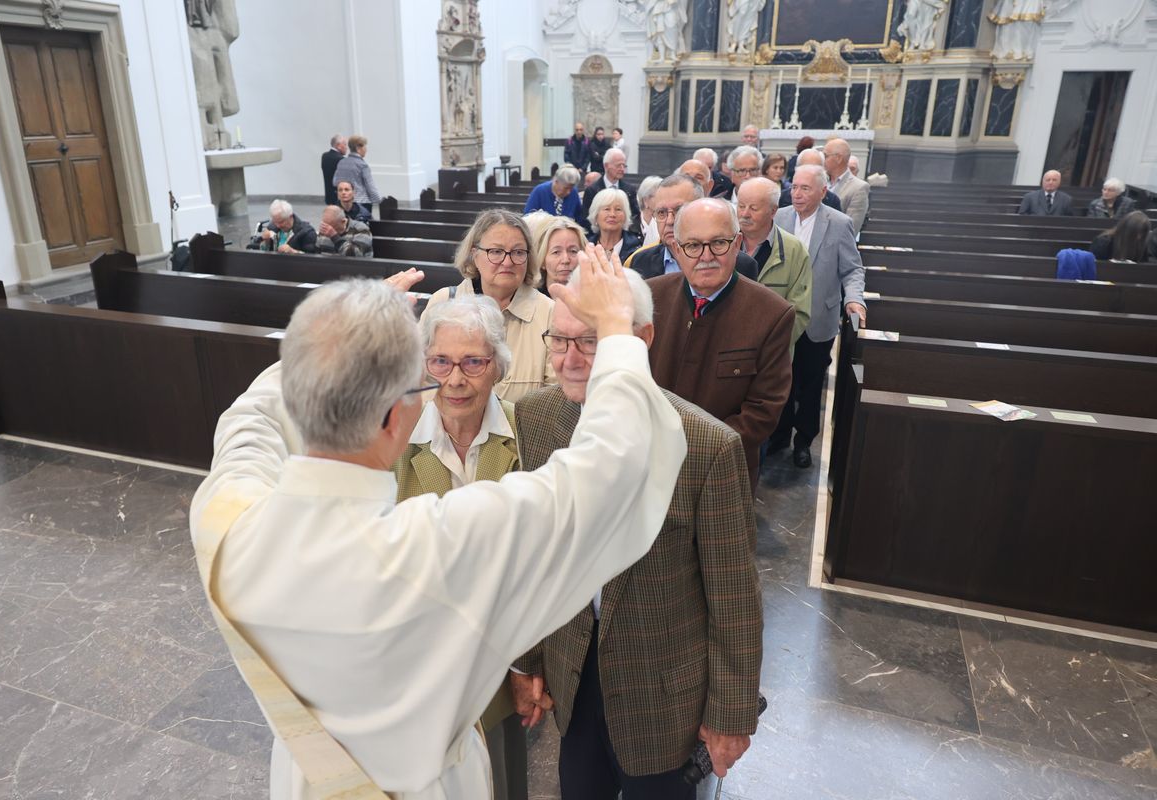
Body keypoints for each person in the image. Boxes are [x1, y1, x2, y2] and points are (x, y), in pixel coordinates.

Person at [189, 249, 688, 800]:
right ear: (395, 415)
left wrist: (350, 333)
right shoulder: (438, 548)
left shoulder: (224, 515)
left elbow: (248, 419)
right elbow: (609, 471)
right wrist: (616, 328)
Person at [511, 267, 763, 798]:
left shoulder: (706, 446)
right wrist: (528, 661)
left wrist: (731, 715)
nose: (571, 359)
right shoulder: (535, 417)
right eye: (559, 340)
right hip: (572, 675)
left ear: (639, 339)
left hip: (662, 692)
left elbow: (734, 597)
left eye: (591, 341)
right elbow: (534, 557)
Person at [398, 297, 525, 800]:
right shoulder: (396, 439)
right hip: (420, 666)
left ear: (497, 365)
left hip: (501, 666)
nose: (455, 380)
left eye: (473, 362)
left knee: (501, 779)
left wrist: (528, 667)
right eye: (441, 362)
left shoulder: (527, 431)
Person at [647, 197, 794, 489]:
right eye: (692, 245)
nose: (706, 256)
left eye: (718, 243)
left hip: (723, 477)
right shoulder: (647, 299)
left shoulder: (772, 314)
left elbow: (763, 411)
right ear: (676, 250)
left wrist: (696, 453)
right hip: (649, 469)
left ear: (737, 243)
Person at [773, 165, 865, 468]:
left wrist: (854, 299)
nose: (797, 194)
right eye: (794, 187)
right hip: (783, 316)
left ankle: (803, 441)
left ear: (823, 192)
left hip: (818, 320)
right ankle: (780, 434)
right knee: (780, 380)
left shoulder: (838, 223)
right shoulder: (780, 217)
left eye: (805, 189)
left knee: (810, 385)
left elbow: (852, 269)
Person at [426, 209, 556, 402]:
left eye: (518, 252)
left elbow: (555, 398)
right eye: (496, 251)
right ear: (474, 255)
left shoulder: (548, 312)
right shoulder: (443, 302)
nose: (507, 261)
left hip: (520, 431)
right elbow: (421, 382)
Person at [737, 177, 812, 347]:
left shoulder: (795, 250)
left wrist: (768, 349)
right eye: (741, 206)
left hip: (772, 357)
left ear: (773, 211)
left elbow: (799, 313)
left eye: (753, 208)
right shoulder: (722, 243)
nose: (745, 214)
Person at [581, 148, 641, 232]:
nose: (622, 169)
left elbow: (635, 216)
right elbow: (585, 218)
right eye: (618, 165)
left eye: (624, 165)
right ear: (606, 166)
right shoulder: (592, 191)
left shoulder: (629, 190)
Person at [823, 138, 870, 232]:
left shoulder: (858, 187)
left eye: (825, 156)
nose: (822, 160)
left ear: (838, 158)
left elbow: (850, 229)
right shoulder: (820, 180)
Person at [587, 188, 643, 264]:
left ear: (625, 215)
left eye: (618, 209)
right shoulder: (585, 246)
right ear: (596, 215)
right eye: (607, 209)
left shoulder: (637, 250)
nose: (612, 214)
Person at [536, 215, 588, 294]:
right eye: (556, 252)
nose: (566, 260)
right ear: (542, 260)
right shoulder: (530, 302)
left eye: (573, 251)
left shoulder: (595, 300)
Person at [333, 135, 382, 216]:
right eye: (365, 147)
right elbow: (370, 186)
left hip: (344, 202)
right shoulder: (362, 165)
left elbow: (335, 182)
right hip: (361, 203)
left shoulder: (341, 162)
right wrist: (379, 200)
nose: (366, 149)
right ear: (358, 148)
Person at [246, 199, 318, 253]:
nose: (278, 225)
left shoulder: (307, 232)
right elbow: (263, 251)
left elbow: (312, 258)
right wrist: (266, 241)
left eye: (281, 222)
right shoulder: (272, 226)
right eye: (275, 222)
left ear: (290, 217)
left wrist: (292, 251)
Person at [1089, 210, 1157, 262]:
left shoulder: (1141, 243)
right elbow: (1095, 264)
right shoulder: (1103, 241)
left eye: (1142, 233)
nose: (1139, 236)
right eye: (1136, 232)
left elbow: (1143, 265)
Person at [636, 175, 663, 247]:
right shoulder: (630, 225)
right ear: (645, 200)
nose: (663, 199)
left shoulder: (666, 223)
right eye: (659, 195)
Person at [321, 134, 347, 206]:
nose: (346, 147)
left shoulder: (324, 156)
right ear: (338, 145)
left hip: (328, 196)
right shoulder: (341, 159)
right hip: (338, 197)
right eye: (345, 144)